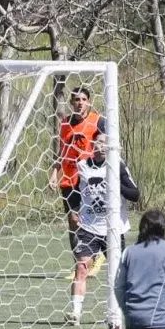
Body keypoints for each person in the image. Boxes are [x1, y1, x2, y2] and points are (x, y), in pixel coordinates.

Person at [64, 133, 140, 326]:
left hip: (113, 228)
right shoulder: (82, 166)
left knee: (117, 273)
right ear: (92, 145)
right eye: (98, 142)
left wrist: (115, 182)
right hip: (88, 227)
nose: (101, 146)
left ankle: (114, 312)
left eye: (106, 143)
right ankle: (75, 313)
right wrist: (73, 210)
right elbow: (73, 192)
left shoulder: (118, 165)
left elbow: (135, 194)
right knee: (81, 266)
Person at [48, 87, 108, 278]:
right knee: (73, 222)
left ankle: (96, 256)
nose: (80, 102)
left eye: (83, 99)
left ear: (89, 102)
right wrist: (54, 173)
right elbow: (62, 152)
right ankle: (80, 267)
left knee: (88, 219)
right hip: (69, 178)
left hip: (89, 179)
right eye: (76, 99)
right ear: (71, 102)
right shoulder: (65, 124)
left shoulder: (98, 121)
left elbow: (105, 146)